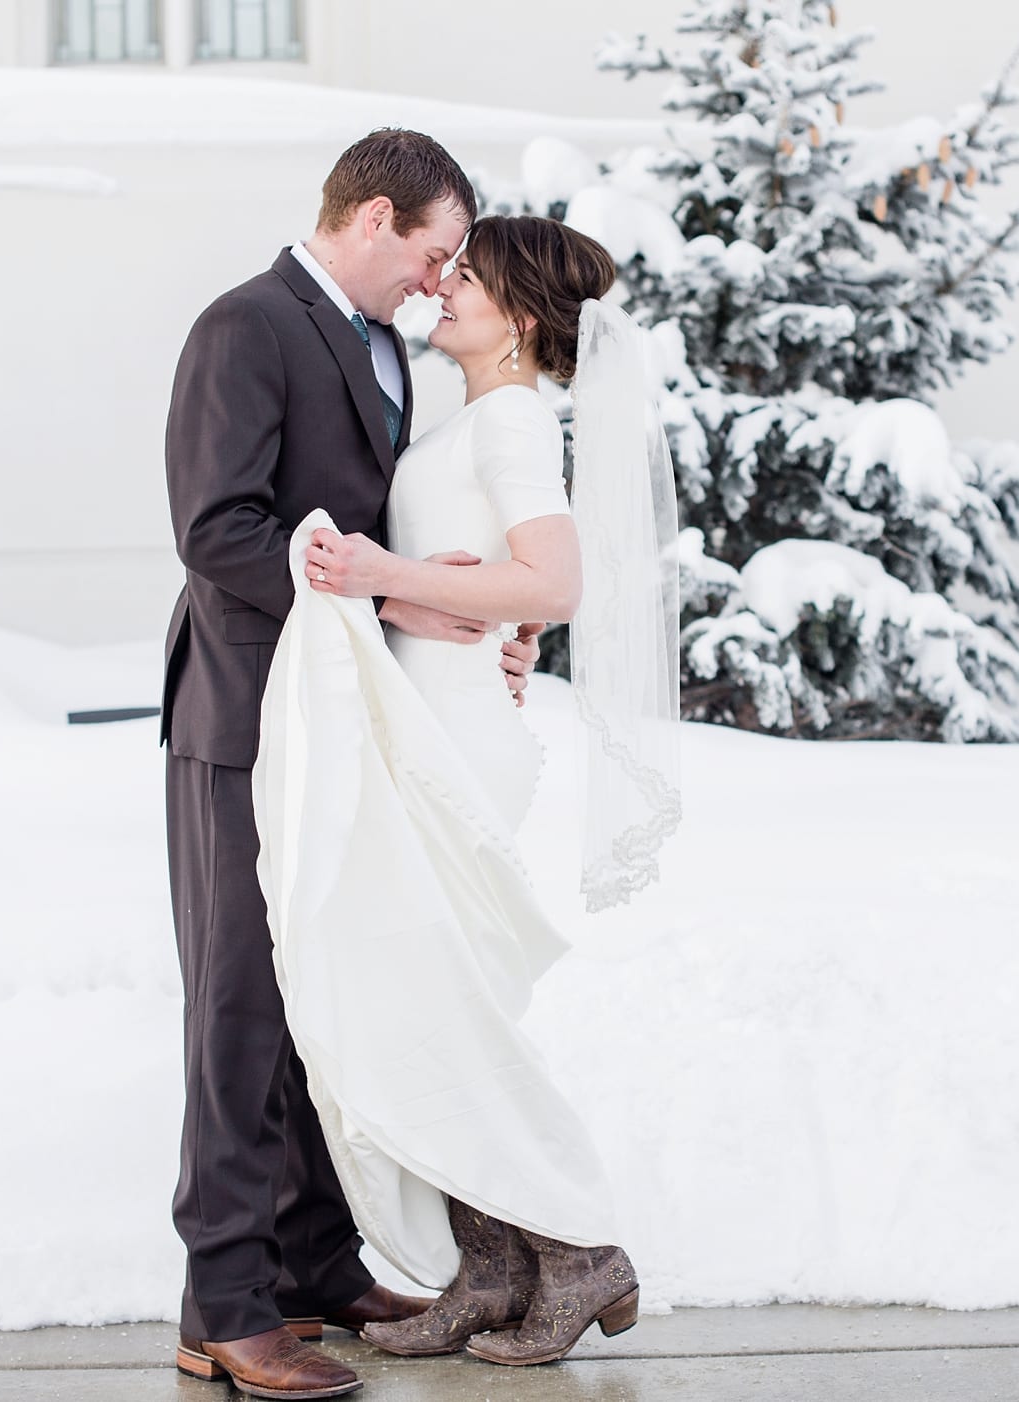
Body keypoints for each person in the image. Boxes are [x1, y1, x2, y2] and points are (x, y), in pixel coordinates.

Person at [250, 214, 682, 1373]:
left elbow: (559, 576)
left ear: (522, 320)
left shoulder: (516, 419)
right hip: (424, 716)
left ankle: (580, 1248)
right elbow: (505, 581)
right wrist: (494, 620)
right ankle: (490, 1270)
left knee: (445, 1008)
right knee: (421, 1003)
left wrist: (389, 577)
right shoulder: (475, 415)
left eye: (471, 280)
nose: (446, 289)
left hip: (457, 740)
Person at [158, 130, 548, 1401]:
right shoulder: (245, 325)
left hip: (346, 713)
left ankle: (316, 1264)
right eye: (433, 254)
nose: (441, 285)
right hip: (243, 711)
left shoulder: (389, 348)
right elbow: (219, 528)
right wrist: (382, 601)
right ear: (373, 217)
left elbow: (389, 529)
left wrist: (455, 606)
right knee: (238, 1002)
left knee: (323, 985)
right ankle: (223, 1303)